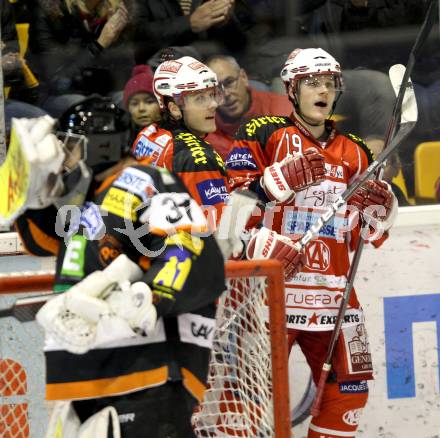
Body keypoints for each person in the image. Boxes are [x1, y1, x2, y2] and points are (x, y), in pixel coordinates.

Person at [12, 109, 225, 437]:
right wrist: (35, 199)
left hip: (144, 378)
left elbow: (188, 242)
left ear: (101, 145)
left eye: (70, 148)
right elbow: (42, 244)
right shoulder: (87, 204)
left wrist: (148, 297)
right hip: (87, 383)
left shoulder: (140, 181)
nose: (63, 158)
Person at [226, 48, 398, 438]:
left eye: (329, 83)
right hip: (272, 295)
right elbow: (225, 216)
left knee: (350, 392)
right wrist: (264, 210)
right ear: (291, 88)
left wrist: (382, 208)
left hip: (336, 296)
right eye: (311, 83)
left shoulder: (355, 150)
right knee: (251, 400)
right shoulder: (262, 132)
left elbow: (372, 233)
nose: (322, 90)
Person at [205, 54, 291, 160]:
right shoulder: (206, 136)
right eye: (215, 90)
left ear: (243, 77)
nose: (226, 94)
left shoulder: (284, 111)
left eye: (229, 82)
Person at [122, 64, 161, 146]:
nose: (141, 108)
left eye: (149, 102)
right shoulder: (125, 138)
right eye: (134, 104)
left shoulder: (175, 139)